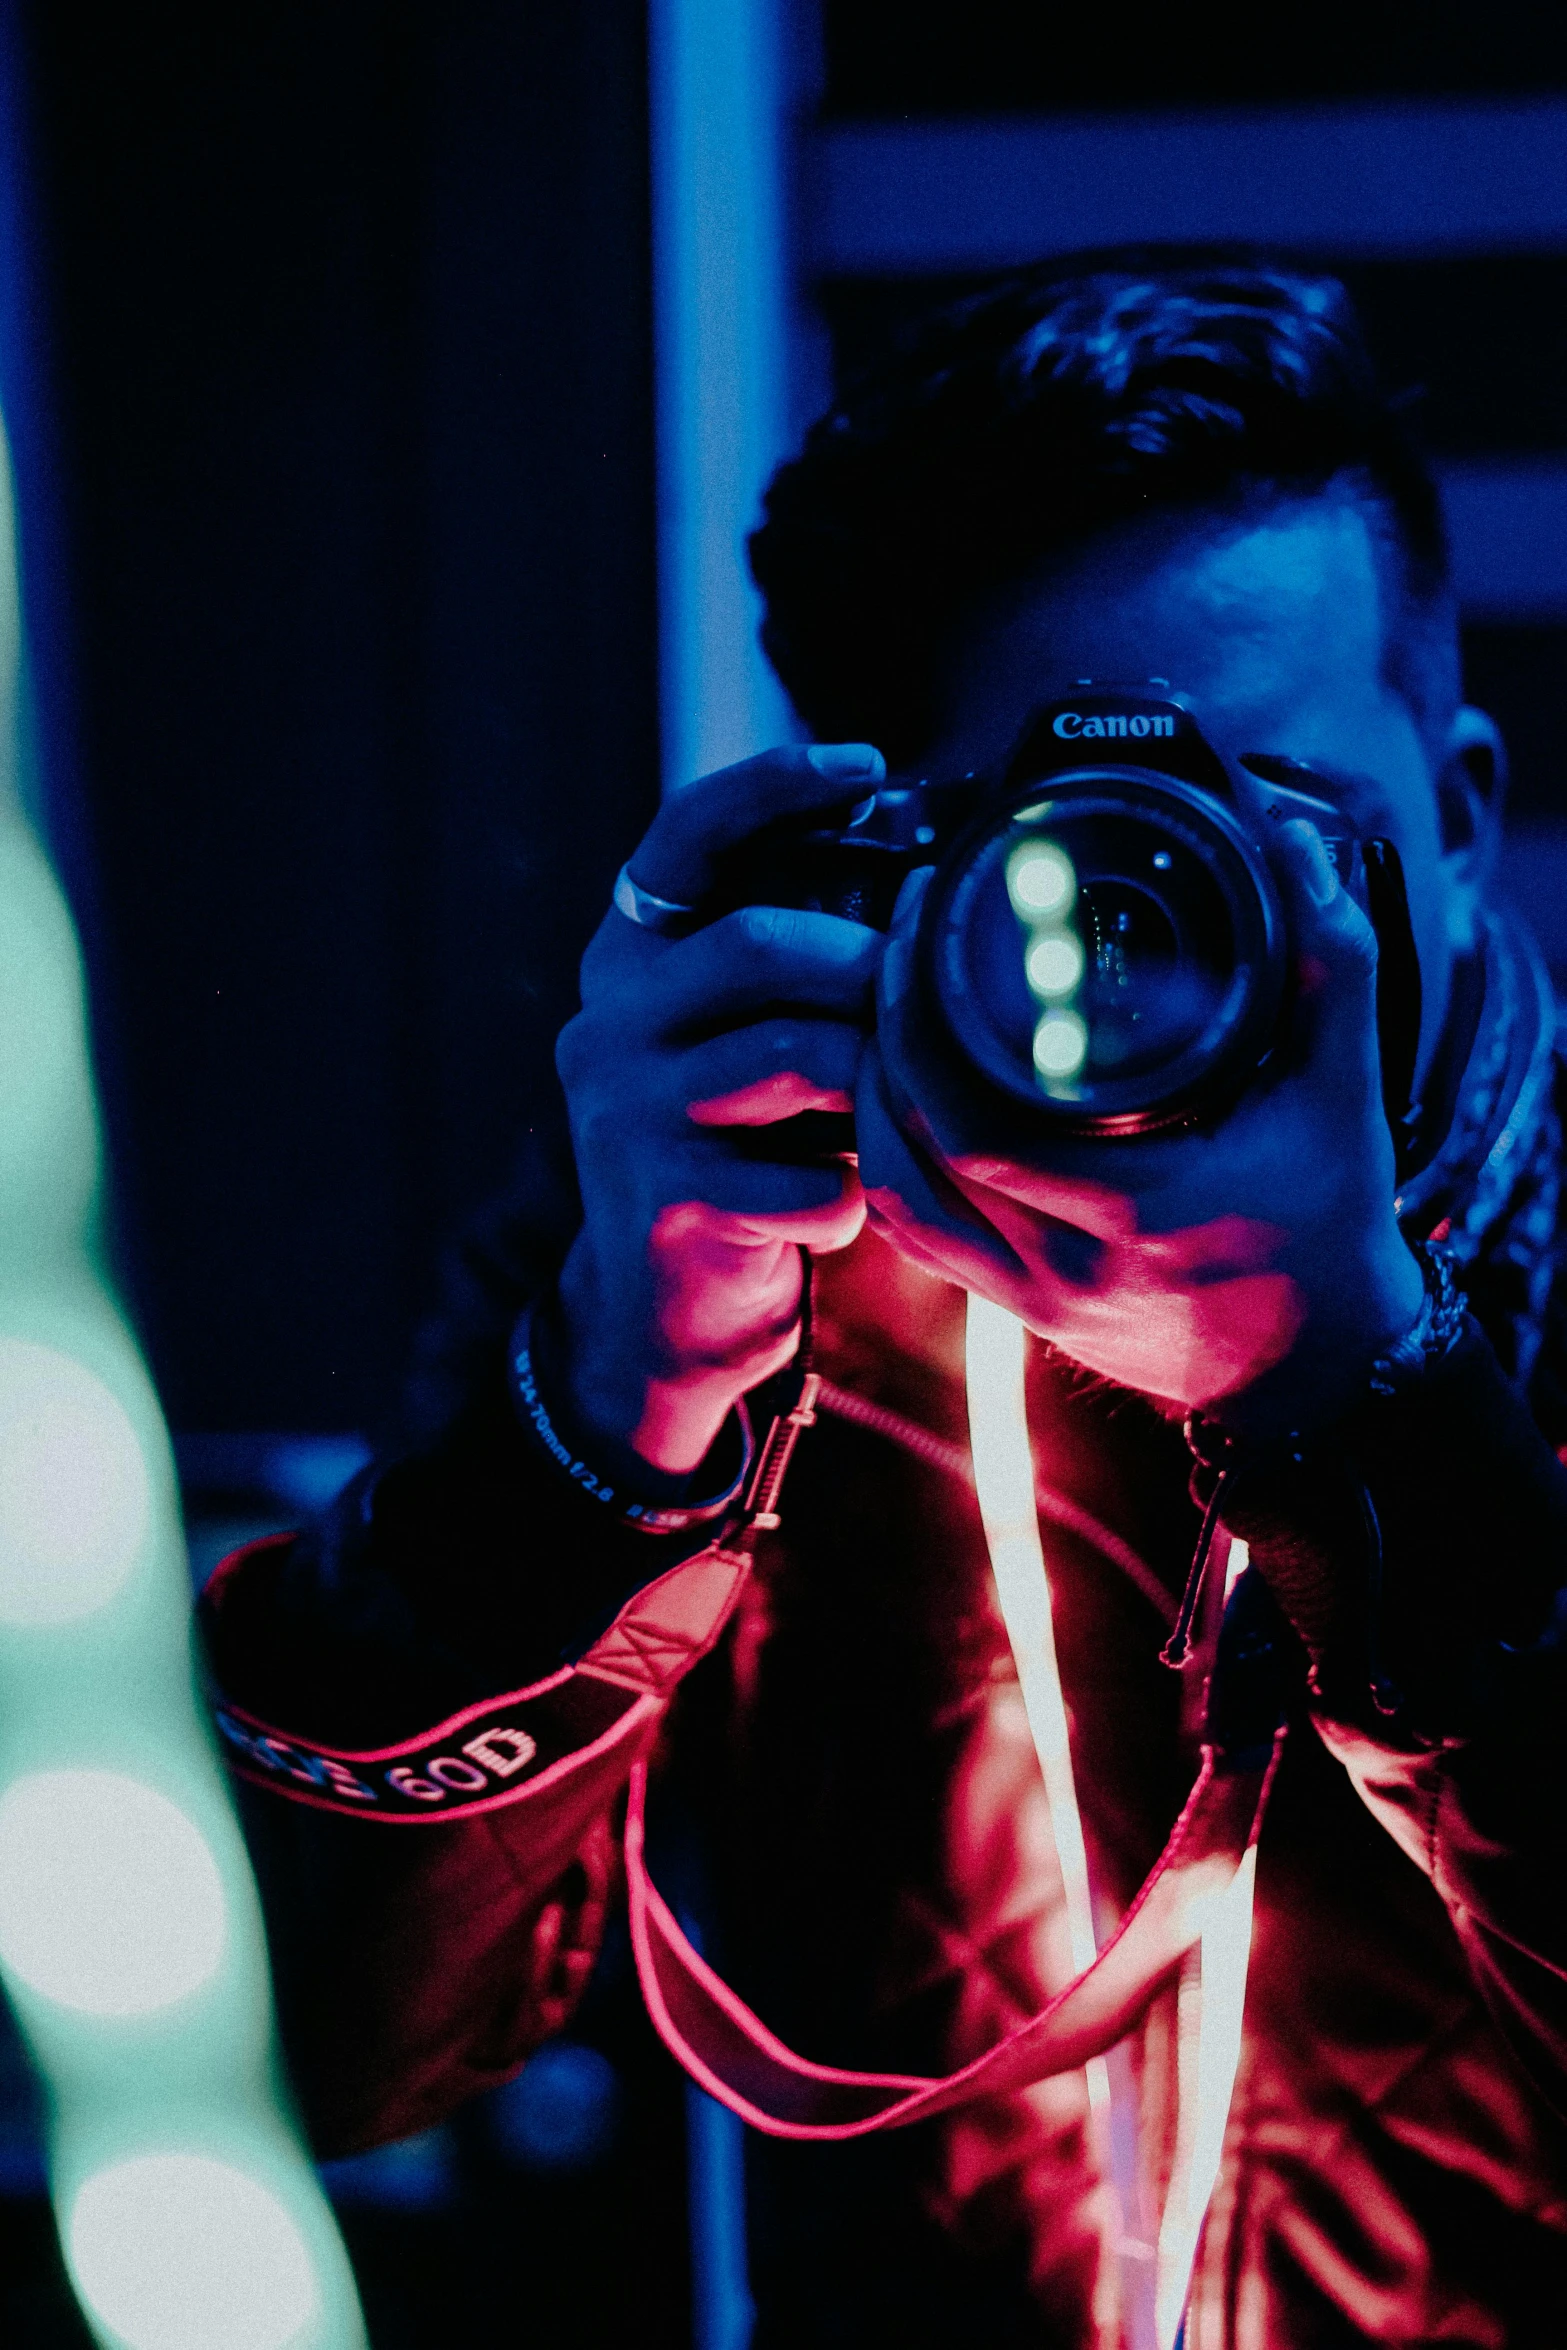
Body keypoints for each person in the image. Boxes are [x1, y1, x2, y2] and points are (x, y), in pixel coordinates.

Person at [200, 255, 1567, 2347]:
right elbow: (310, 2053)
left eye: (1282, 836)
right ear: (890, 853)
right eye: (1084, 857)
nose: (1184, 949)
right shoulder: (763, 1242)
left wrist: (1362, 1398)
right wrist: (607, 1429)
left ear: (1460, 817)